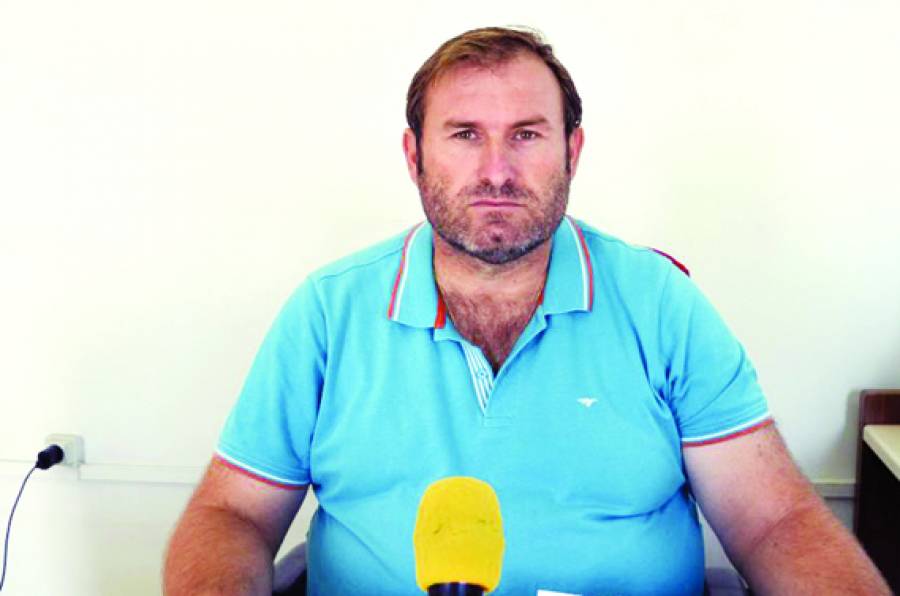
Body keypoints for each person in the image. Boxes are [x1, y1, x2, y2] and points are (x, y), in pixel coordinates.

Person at [164, 27, 888, 595]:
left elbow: (775, 522)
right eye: (464, 135)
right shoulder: (328, 312)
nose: (496, 171)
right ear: (414, 156)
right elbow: (232, 514)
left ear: (572, 150)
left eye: (527, 134)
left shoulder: (662, 305)